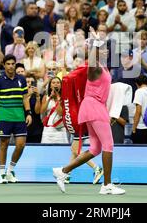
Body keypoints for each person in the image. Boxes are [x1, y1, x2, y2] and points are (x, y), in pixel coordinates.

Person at [53, 27, 125, 195]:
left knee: (95, 148)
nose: (106, 50)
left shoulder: (104, 68)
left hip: (94, 107)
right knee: (109, 145)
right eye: (103, 48)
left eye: (107, 48)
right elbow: (92, 60)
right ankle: (107, 185)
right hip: (94, 107)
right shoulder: (94, 68)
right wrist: (96, 42)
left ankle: (63, 171)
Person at [0, 54, 32, 184]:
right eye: (8, 64)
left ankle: (10, 170)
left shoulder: (22, 79)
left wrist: (28, 113)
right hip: (4, 117)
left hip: (19, 116)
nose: (11, 66)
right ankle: (2, 173)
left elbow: (25, 98)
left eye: (13, 63)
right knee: (4, 144)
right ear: (4, 65)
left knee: (21, 145)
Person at [131, 74, 147, 144]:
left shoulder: (139, 91)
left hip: (140, 128)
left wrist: (134, 128)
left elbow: (138, 111)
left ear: (137, 84)